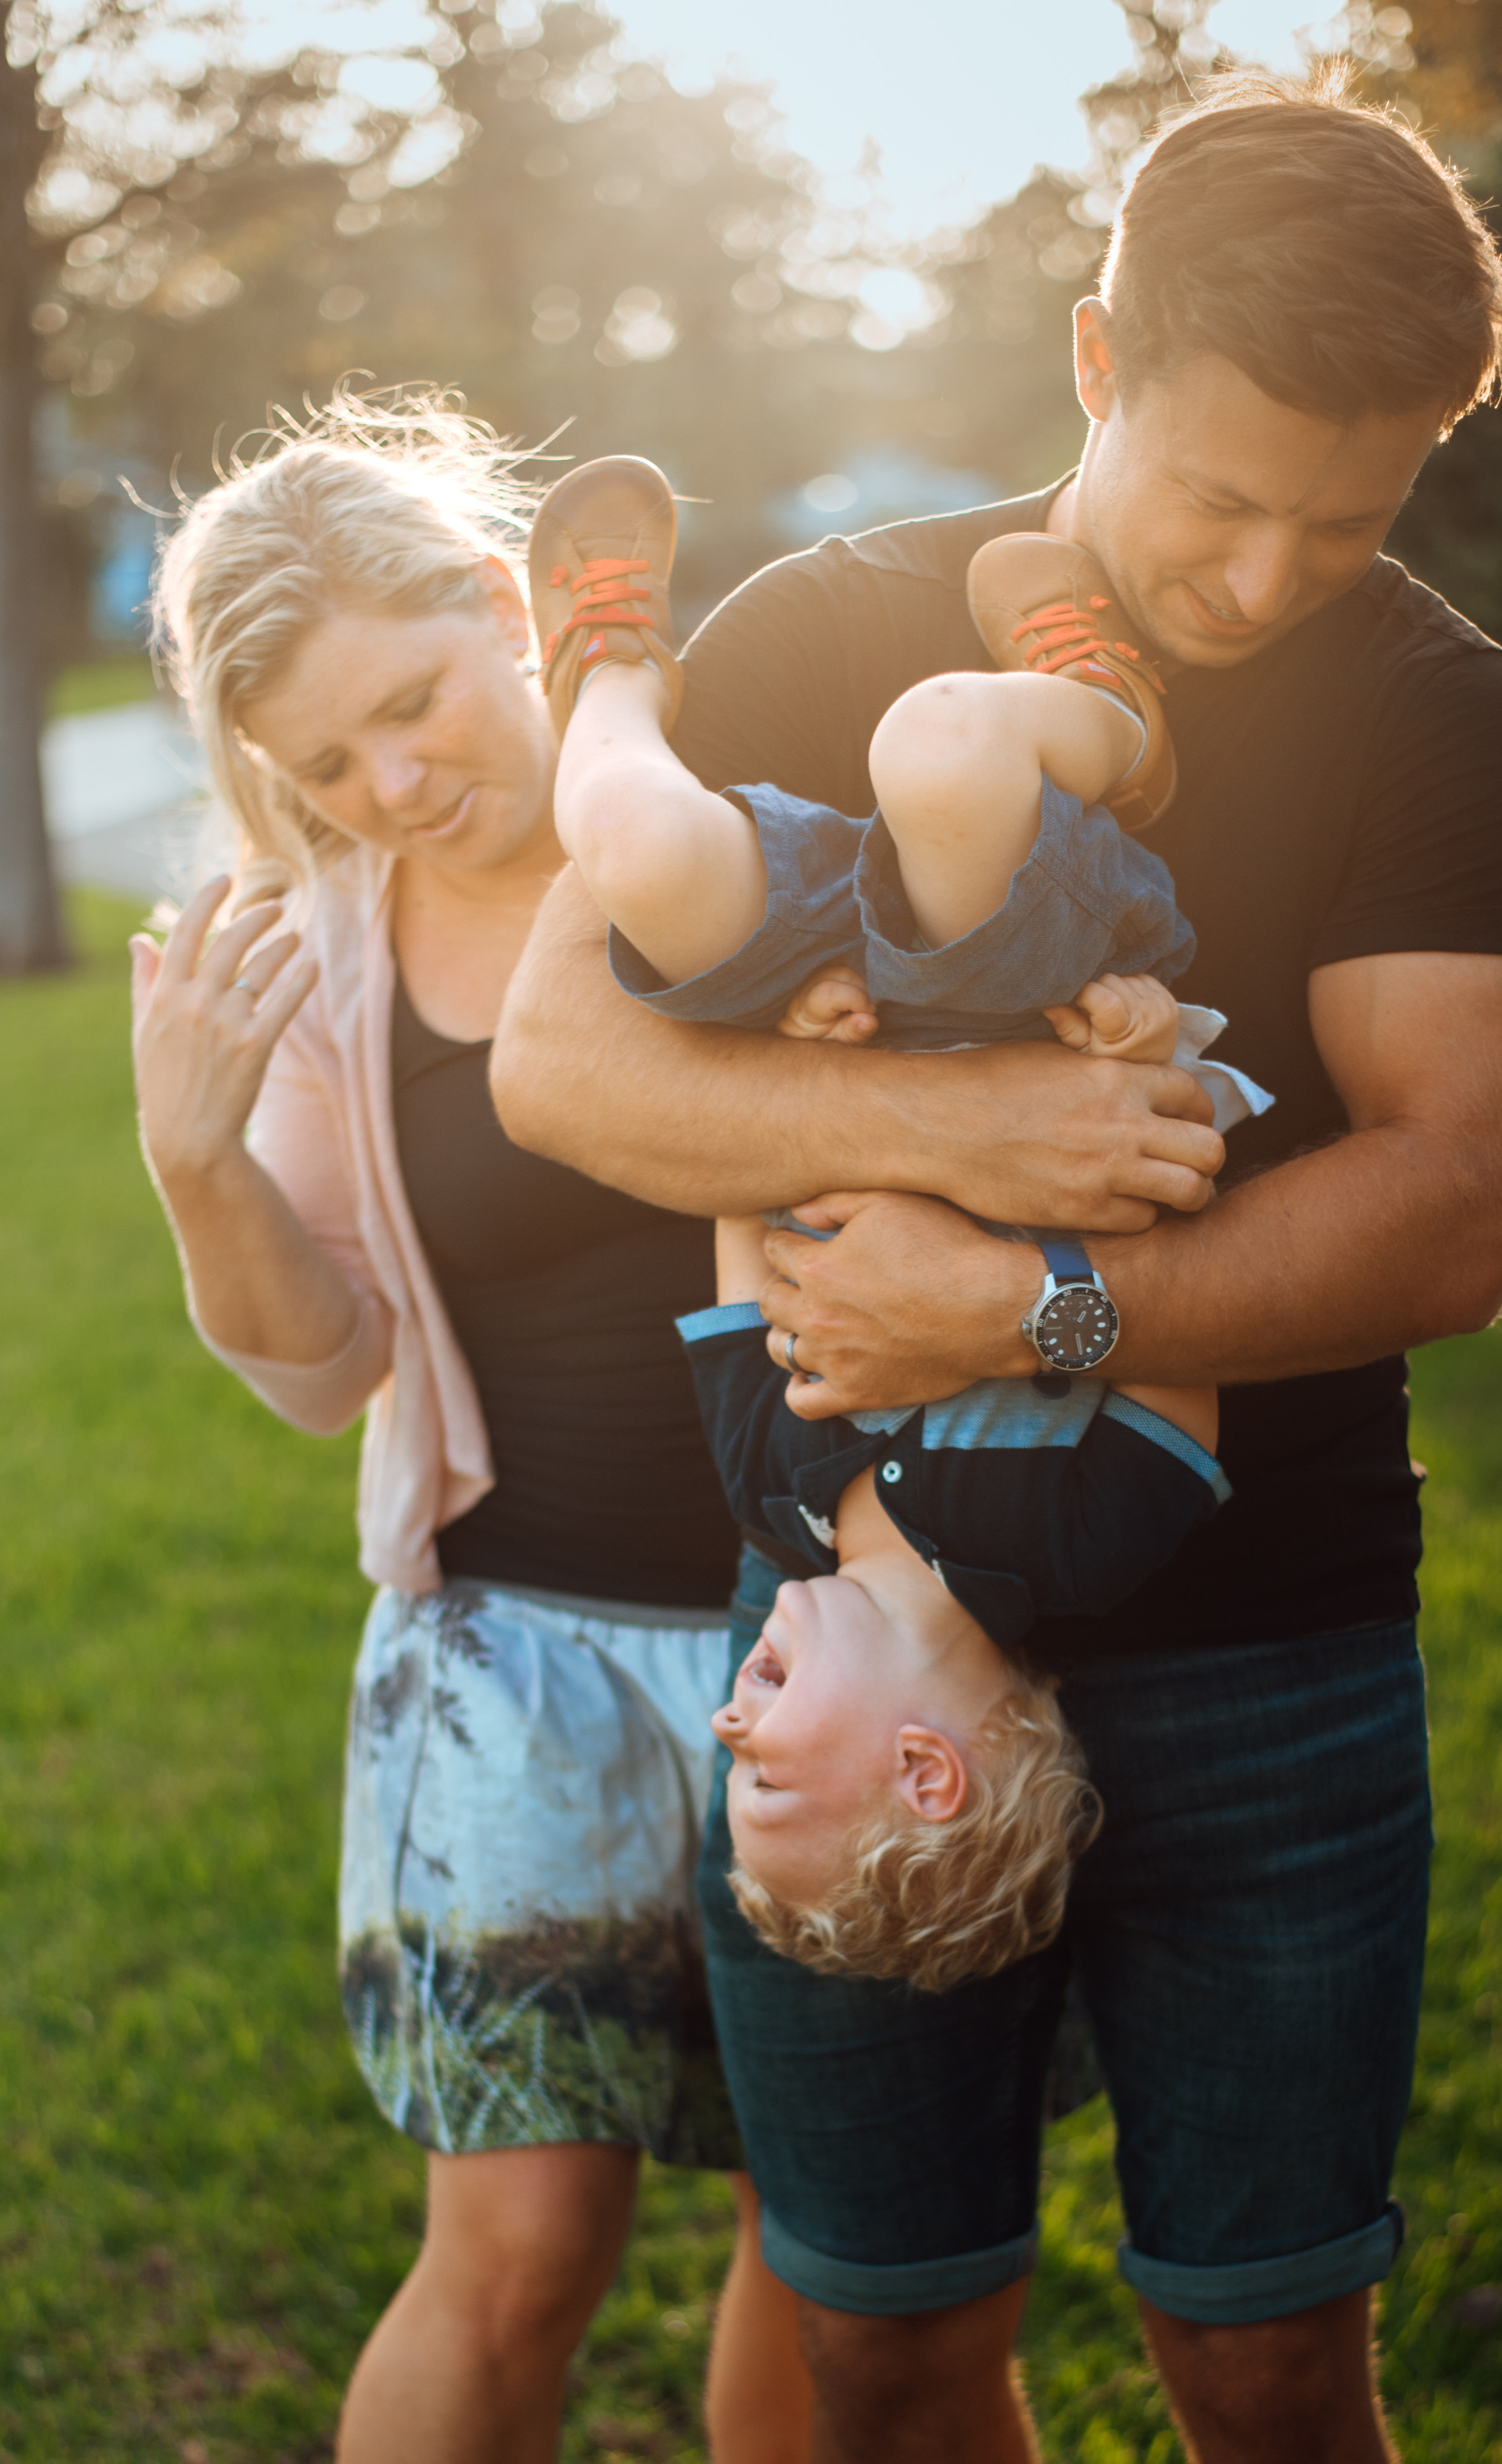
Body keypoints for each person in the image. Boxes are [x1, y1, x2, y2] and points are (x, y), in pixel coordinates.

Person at [494, 71, 1502, 2464]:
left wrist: (1039, 1301)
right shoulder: (832, 628)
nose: (1278, 565)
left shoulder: (1450, 713)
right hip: (845, 1645)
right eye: (1225, 491)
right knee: (878, 2336)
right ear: (1100, 358)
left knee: (1276, 2364)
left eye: (1358, 507)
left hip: (1273, 1652)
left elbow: (1454, 1205)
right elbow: (563, 1061)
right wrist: (1000, 1159)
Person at [128, 396, 821, 2464]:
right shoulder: (324, 940)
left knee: (817, 2248)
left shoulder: (708, 817)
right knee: (515, 2248)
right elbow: (327, 1364)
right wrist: (195, 1157)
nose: (397, 784)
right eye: (332, 763)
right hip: (507, 1656)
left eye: (416, 703)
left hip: (808, 1630)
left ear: (510, 600)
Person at [532, 469, 1258, 1985]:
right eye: (766, 1771)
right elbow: (1187, 1274)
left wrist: (790, 1050)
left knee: (639, 847)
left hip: (823, 1014)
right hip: (1016, 977)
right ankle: (1103, 700)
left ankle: (601, 674)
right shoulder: (1095, 1538)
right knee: (941, 738)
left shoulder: (766, 1489)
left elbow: (732, 1180)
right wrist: (1135, 1049)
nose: (725, 1723)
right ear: (927, 1771)